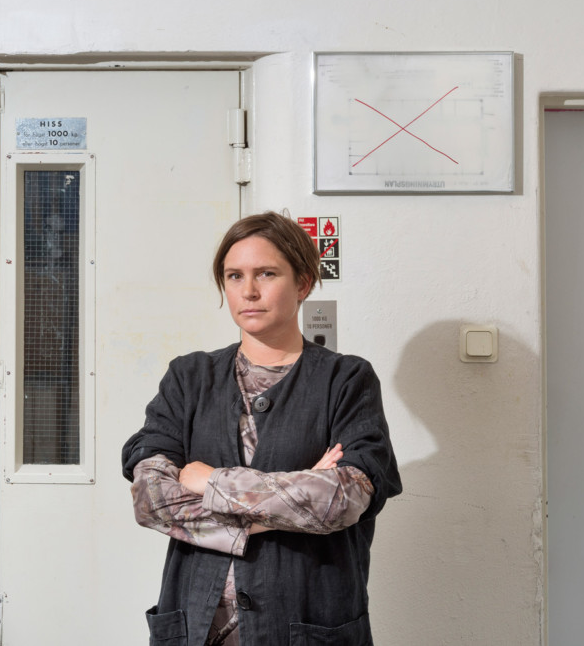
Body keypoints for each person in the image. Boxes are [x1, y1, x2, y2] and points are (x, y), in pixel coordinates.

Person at [122, 212, 402, 645]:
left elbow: (341, 500)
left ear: (303, 283)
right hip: (198, 626)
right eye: (234, 276)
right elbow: (151, 499)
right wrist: (282, 508)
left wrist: (210, 480)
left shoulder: (346, 380)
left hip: (307, 623)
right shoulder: (188, 378)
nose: (248, 291)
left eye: (266, 273)